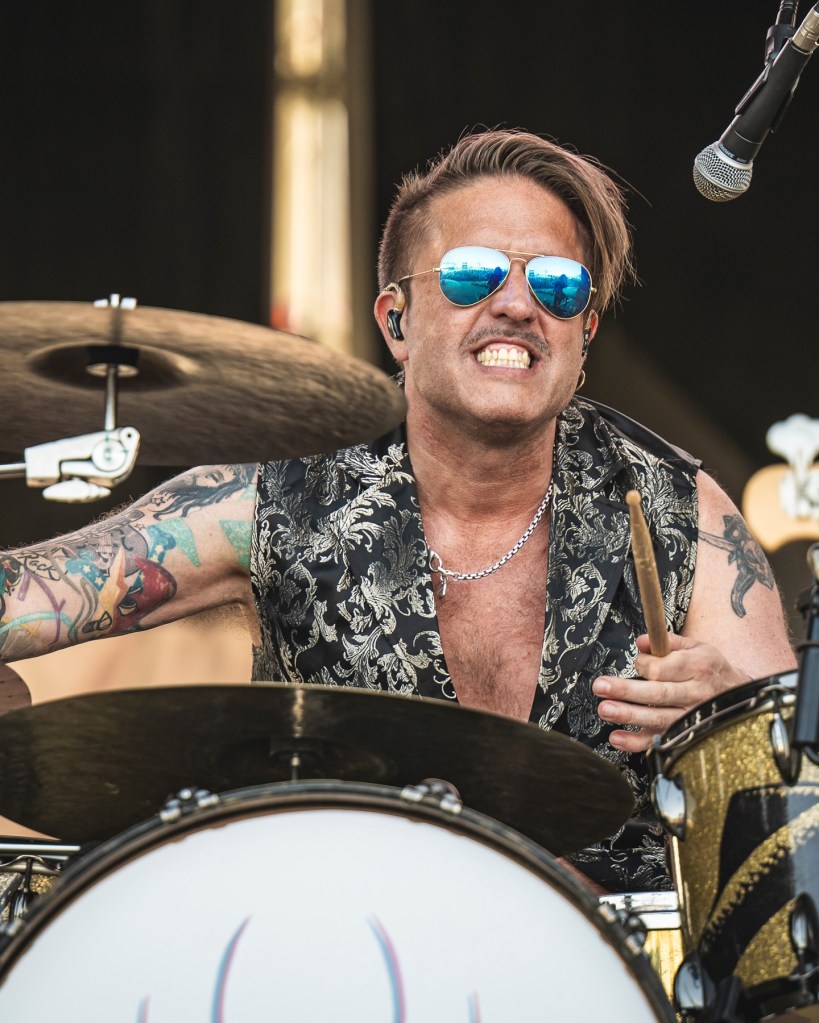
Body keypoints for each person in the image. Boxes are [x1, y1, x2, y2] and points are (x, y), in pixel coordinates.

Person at [0, 129, 794, 893]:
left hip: (614, 961)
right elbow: (23, 600)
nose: (518, 305)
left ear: (583, 334)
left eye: (557, 284)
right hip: (336, 944)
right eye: (472, 273)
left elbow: (797, 804)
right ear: (396, 321)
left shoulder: (680, 511)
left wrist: (736, 718)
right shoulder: (278, 492)